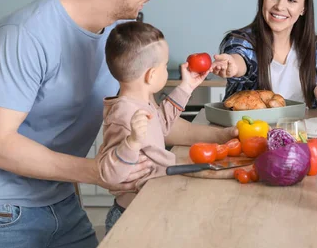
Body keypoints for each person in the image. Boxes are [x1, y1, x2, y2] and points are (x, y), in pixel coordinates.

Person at [0, 0, 235, 247]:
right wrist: (98, 171)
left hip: (59, 199)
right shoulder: (25, 35)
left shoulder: (117, 38)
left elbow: (152, 121)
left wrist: (227, 136)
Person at [96, 21, 225, 233]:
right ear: (151, 75)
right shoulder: (124, 114)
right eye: (165, 66)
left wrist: (186, 87)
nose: (167, 70)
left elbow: (163, 125)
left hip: (148, 207)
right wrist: (131, 143)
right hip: (132, 218)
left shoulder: (141, 103)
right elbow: (110, 174)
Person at [210, 0, 317, 108]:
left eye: (291, 0)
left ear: (303, 8)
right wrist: (233, 66)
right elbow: (241, 59)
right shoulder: (241, 40)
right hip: (249, 130)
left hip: (299, 130)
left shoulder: (313, 46)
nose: (279, 6)